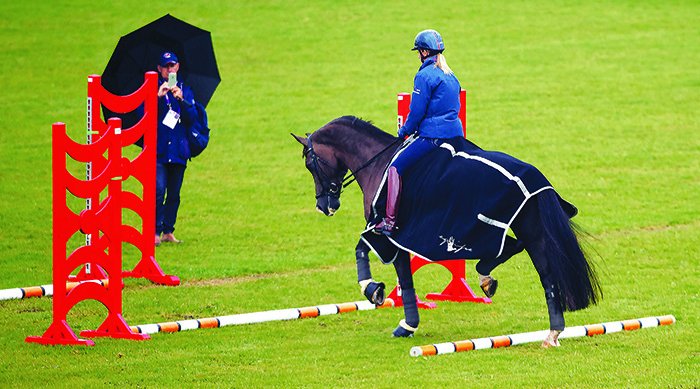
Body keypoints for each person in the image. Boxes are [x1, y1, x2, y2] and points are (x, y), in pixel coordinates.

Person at [373, 29, 463, 236]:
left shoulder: (424, 76)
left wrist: (404, 130)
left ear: (423, 52)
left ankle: (389, 221)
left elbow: (417, 112)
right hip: (456, 135)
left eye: (418, 52)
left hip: (433, 137)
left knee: (395, 167)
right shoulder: (451, 75)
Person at [153, 51, 198, 246]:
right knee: (158, 190)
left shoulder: (185, 90)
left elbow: (193, 118)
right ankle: (154, 231)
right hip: (159, 150)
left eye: (173, 66)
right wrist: (157, 97)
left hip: (179, 151)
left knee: (174, 193)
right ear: (160, 69)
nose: (170, 69)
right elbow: (142, 116)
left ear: (177, 67)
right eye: (166, 66)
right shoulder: (153, 90)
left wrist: (181, 100)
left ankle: (168, 231)